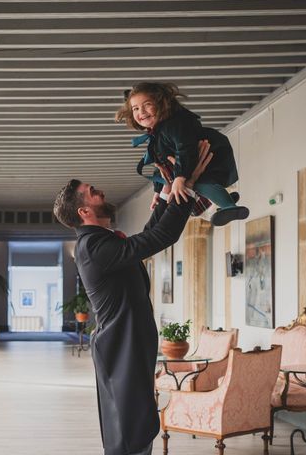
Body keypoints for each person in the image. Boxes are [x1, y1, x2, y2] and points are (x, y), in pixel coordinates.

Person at [52, 142, 211, 455]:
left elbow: (146, 237)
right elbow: (159, 238)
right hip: (120, 345)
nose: (101, 192)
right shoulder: (94, 248)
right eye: (92, 191)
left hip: (124, 342)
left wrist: (168, 192)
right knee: (130, 430)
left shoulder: (99, 241)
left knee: (135, 425)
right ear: (84, 211)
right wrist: (186, 187)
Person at [116, 81, 249, 227]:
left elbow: (185, 149)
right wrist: (158, 191)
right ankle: (225, 200)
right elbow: (161, 165)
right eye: (135, 108)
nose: (141, 112)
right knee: (198, 184)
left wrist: (180, 177)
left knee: (201, 183)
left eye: (147, 104)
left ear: (162, 103)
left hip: (210, 152)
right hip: (191, 160)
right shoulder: (159, 133)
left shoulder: (174, 125)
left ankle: (229, 207)